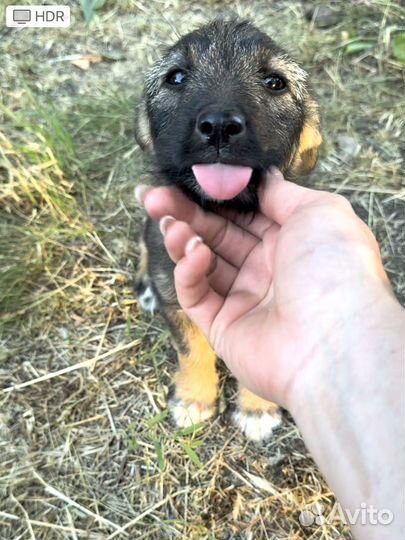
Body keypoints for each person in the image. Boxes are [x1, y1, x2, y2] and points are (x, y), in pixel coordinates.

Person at [135, 168, 405, 540]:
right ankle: (196, 375)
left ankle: (256, 389)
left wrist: (346, 330)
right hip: (184, 218)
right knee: (167, 240)